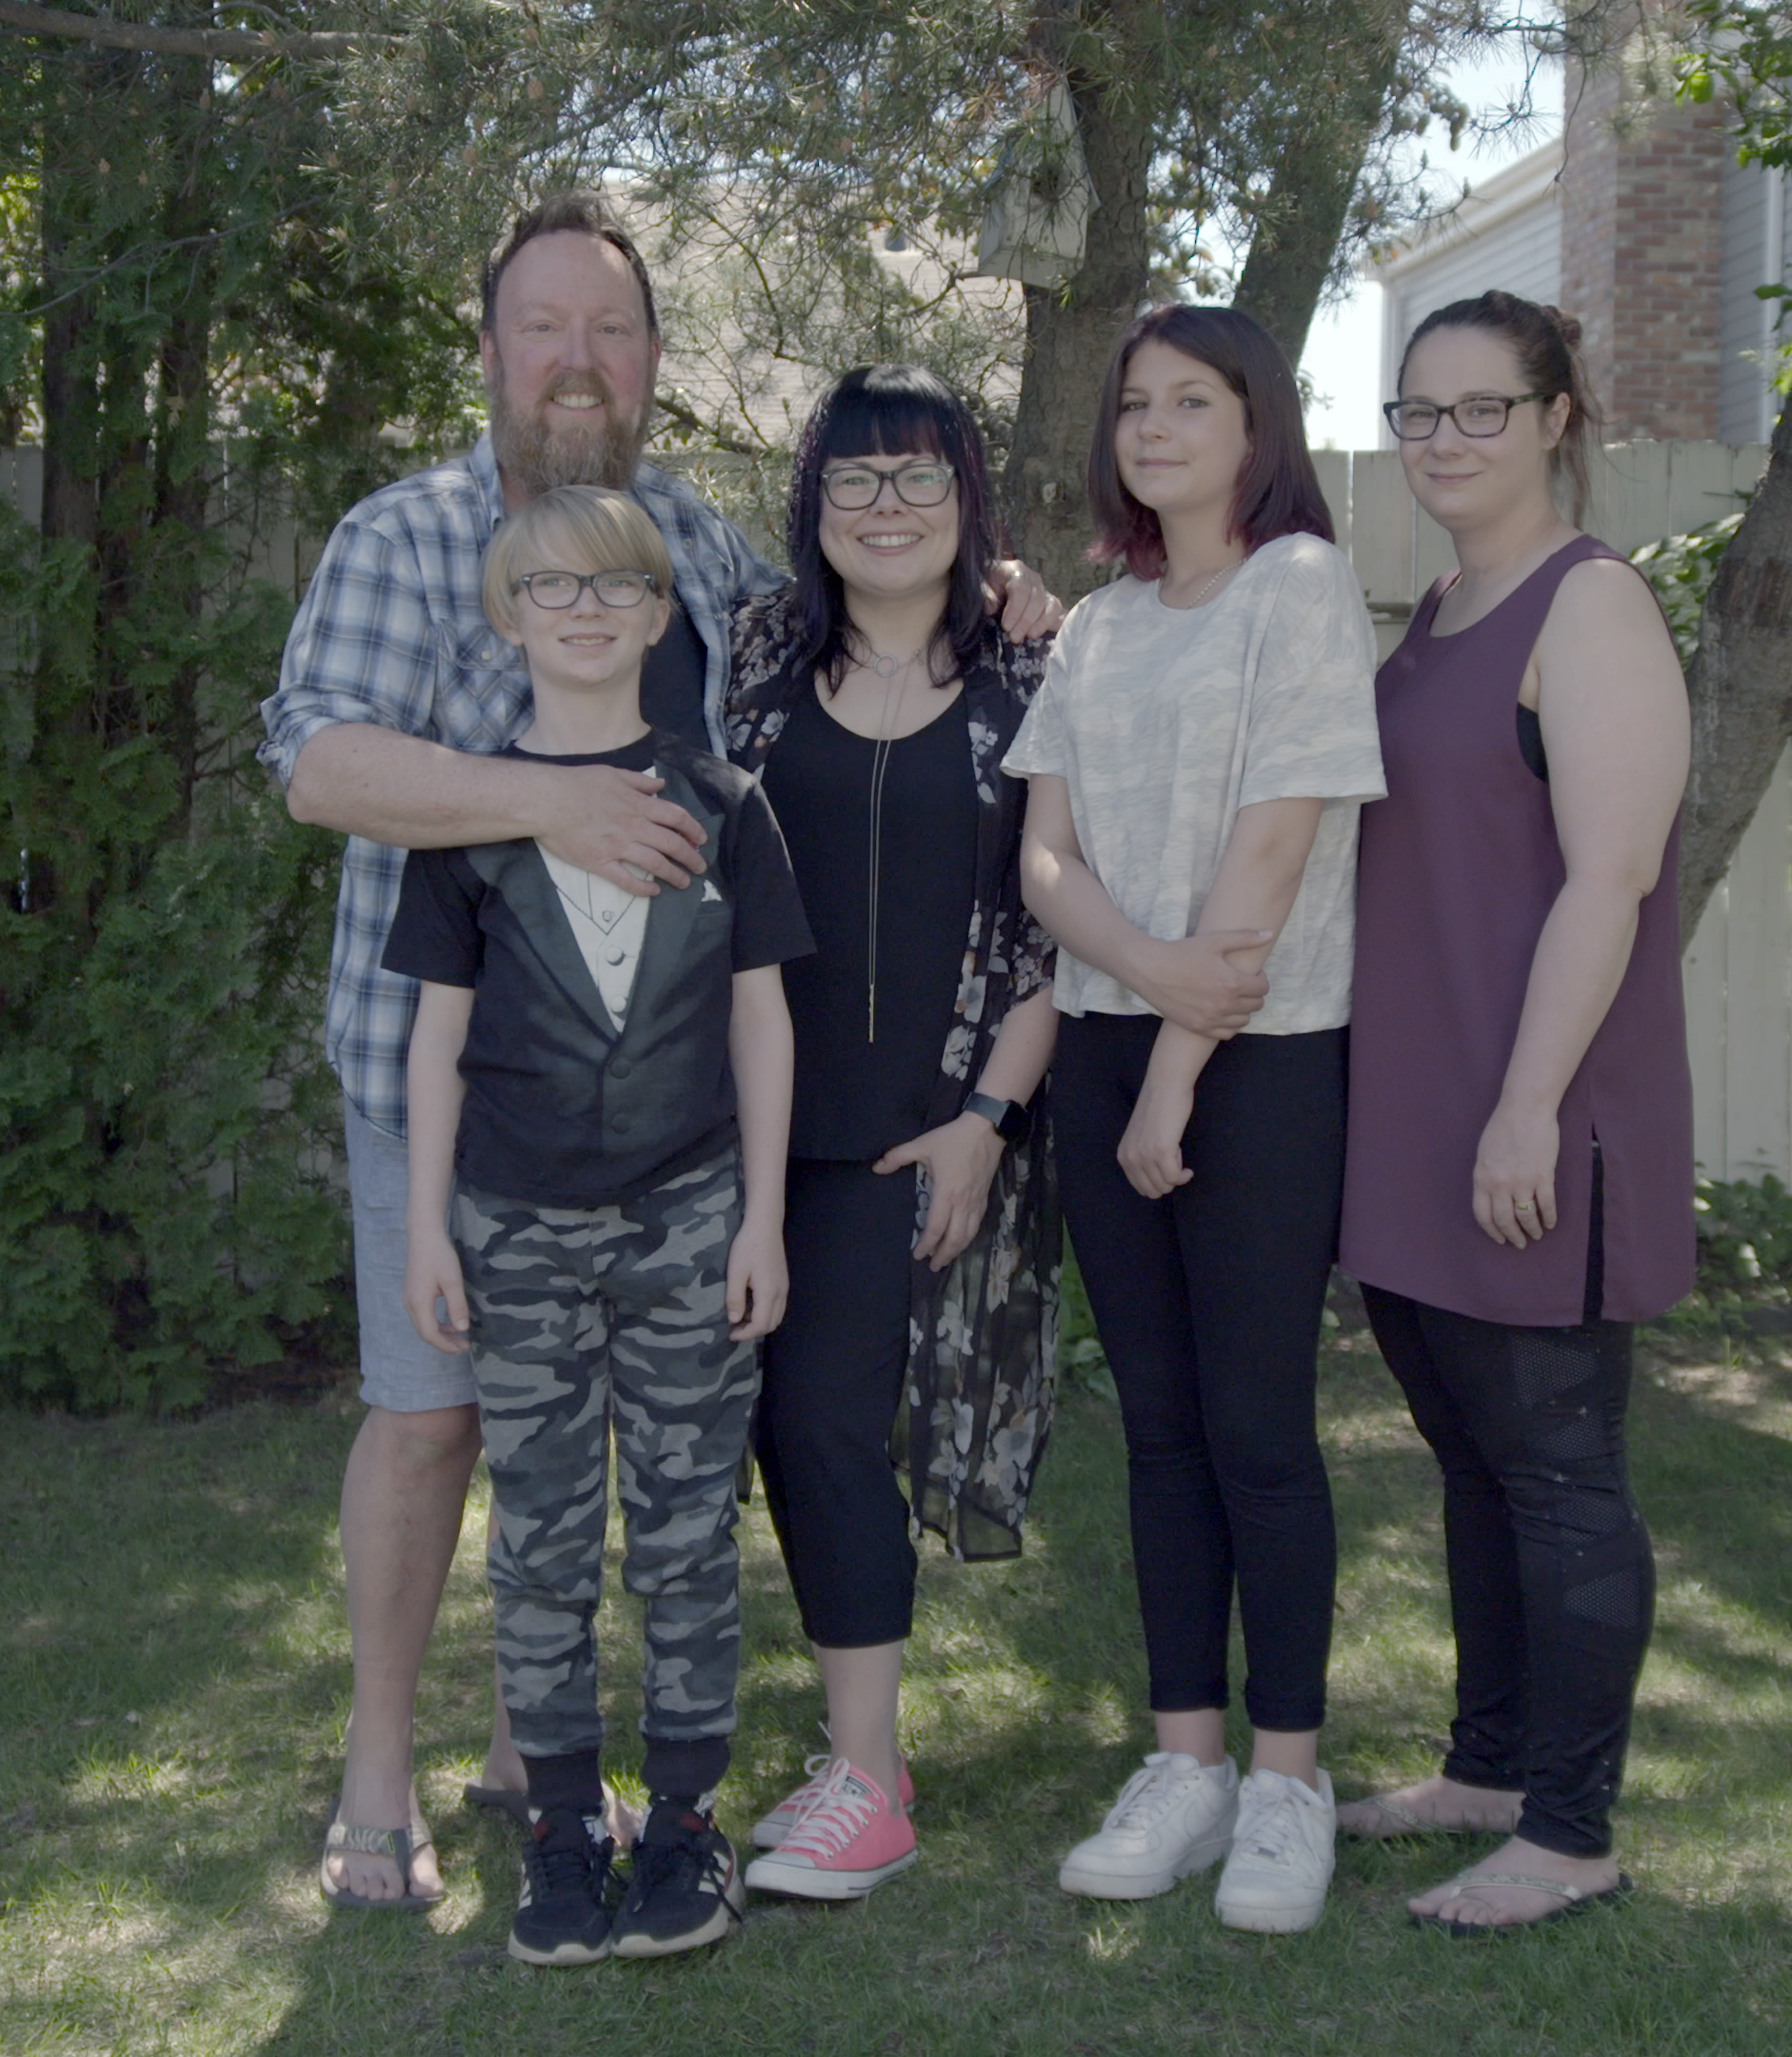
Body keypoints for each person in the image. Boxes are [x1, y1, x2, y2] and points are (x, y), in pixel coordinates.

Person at [257, 191, 1052, 1910]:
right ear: (488, 353)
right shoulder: (404, 538)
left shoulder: (697, 549)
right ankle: (378, 1772)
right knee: (433, 1418)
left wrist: (998, 597)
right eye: (542, 326)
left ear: (653, 364)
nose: (575, 361)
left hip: (680, 1110)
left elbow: (853, 648)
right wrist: (554, 804)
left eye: (610, 331)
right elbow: (321, 766)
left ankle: (541, 1749)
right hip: (452, 1075)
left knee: (642, 1440)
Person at [384, 485, 813, 1964]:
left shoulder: (724, 800)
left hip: (691, 1218)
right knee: (547, 1542)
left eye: (611, 588)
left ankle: (688, 1823)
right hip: (513, 1225)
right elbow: (434, 1039)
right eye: (546, 590)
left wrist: (759, 1216)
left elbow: (764, 1021)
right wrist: (432, 1231)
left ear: (655, 614)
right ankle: (564, 1827)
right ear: (509, 617)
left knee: (689, 1533)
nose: (580, 611)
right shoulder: (470, 818)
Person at [1006, 306, 1385, 1934]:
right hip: (1104, 1047)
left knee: (1258, 1429)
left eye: (1193, 401)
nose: (1155, 427)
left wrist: (1176, 1056)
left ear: (1256, 426)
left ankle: (1287, 1780)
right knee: (1158, 1430)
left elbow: (1276, 842)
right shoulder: (1095, 627)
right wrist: (1146, 999)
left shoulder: (1299, 586)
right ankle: (1186, 1765)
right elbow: (1044, 861)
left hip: (1261, 1060)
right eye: (1135, 404)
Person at [1332, 291, 1692, 1932]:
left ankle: (1570, 1827)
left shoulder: (1592, 606)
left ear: (1558, 417)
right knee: (1473, 1463)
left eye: (1484, 409)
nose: (1447, 441)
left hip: (1531, 1115)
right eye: (1421, 412)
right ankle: (1485, 1766)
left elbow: (1609, 876)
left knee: (1556, 1475)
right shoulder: (1435, 614)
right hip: (1417, 1112)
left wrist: (1527, 1107)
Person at [719, 366, 1065, 1903]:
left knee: (826, 1424)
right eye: (852, 480)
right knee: (716, 1431)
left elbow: (1070, 935)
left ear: (969, 504)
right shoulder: (752, 659)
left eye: (919, 478)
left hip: (915, 1131)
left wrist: (989, 1116)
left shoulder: (1037, 682)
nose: (884, 508)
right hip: (735, 1119)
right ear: (811, 508)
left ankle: (869, 1776)